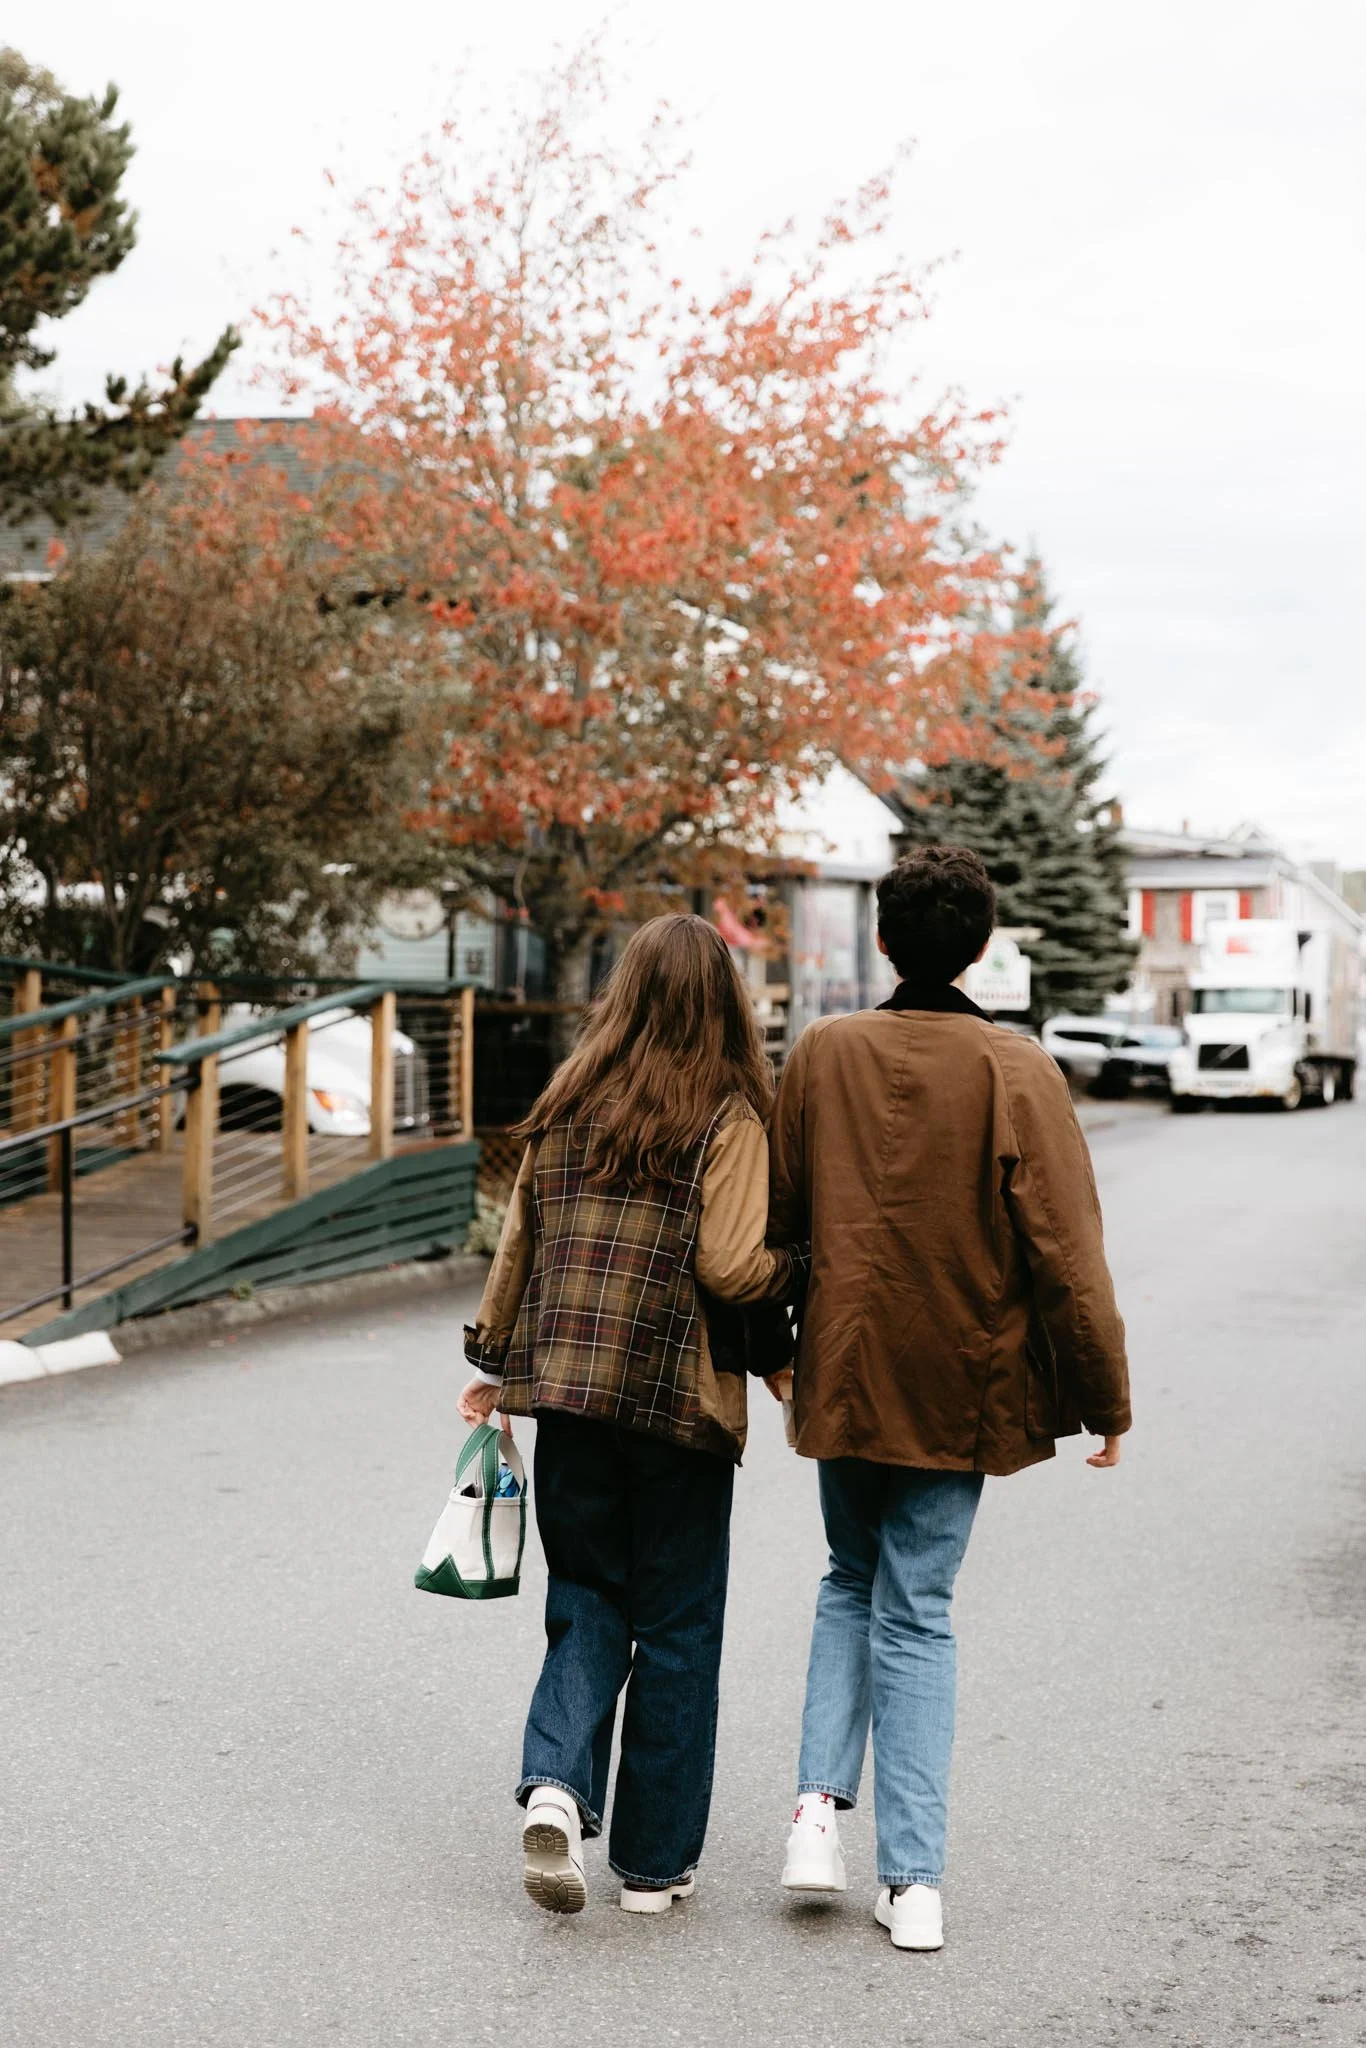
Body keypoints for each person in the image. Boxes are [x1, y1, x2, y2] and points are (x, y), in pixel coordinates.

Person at [768, 845, 1131, 1953]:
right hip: (957, 1380)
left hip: (841, 1363)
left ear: (883, 939)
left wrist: (771, 1353)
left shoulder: (820, 1053)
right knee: (916, 1608)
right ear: (981, 944)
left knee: (846, 1577)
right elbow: (1066, 1254)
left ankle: (814, 1820)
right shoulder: (1017, 1069)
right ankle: (913, 1880)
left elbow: (777, 1223)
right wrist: (1104, 1396)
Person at [457, 913, 800, 1917]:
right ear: (725, 1002)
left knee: (588, 1597)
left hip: (568, 1390)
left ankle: (557, 1784)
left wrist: (490, 1356)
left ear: (626, 991)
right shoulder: (729, 1116)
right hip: (674, 1399)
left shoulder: (567, 1102)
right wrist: (799, 1267)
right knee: (681, 1624)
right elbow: (733, 1264)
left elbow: (519, 1237)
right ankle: (652, 1867)